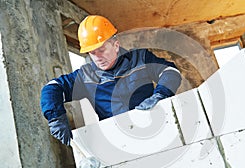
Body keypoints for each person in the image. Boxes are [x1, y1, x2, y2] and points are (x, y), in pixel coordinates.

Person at [40, 15, 182, 145]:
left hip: (156, 131)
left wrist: (160, 94)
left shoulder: (141, 58)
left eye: (101, 50)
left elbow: (170, 71)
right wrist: (55, 117)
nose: (97, 58)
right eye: (92, 53)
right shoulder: (85, 76)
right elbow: (52, 87)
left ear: (116, 45)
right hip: (118, 142)